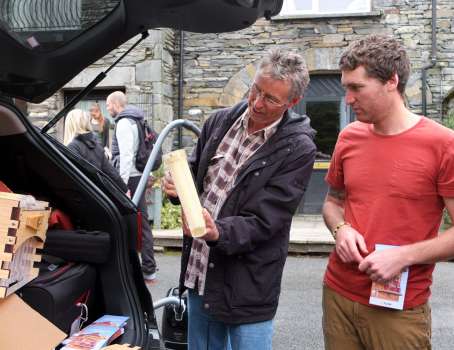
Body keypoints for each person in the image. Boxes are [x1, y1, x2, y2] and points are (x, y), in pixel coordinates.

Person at [162, 49, 316, 350]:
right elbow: (197, 176)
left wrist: (218, 231)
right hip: (200, 270)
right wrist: (178, 188)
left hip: (249, 283)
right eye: (256, 90)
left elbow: (268, 220)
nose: (257, 103)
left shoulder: (298, 148)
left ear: (292, 102)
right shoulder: (219, 121)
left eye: (271, 99)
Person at [321, 34, 454, 350]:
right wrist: (341, 229)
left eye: (356, 88)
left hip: (399, 308)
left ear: (391, 81)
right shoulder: (349, 137)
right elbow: (332, 202)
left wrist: (403, 256)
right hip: (338, 293)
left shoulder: (443, 145)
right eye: (345, 88)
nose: (348, 100)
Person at [106, 91, 158, 284]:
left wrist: (121, 184)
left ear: (116, 104)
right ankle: (147, 269)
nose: (107, 108)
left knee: (130, 224)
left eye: (108, 104)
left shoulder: (123, 123)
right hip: (139, 177)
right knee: (141, 224)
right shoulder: (136, 120)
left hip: (131, 179)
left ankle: (141, 270)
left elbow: (127, 156)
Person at [63, 109, 127, 192]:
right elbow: (111, 171)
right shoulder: (96, 144)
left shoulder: (72, 147)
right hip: (99, 196)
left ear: (70, 125)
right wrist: (125, 189)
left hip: (82, 196)